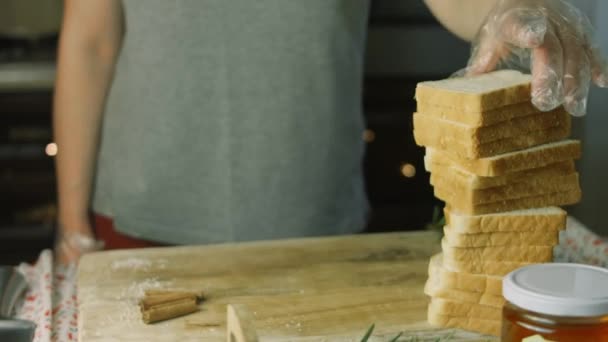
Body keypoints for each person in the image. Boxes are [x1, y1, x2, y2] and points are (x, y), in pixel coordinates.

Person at [54, 0, 608, 264]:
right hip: (137, 210)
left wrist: (507, 9)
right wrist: (72, 218)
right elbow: (91, 43)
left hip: (311, 216)